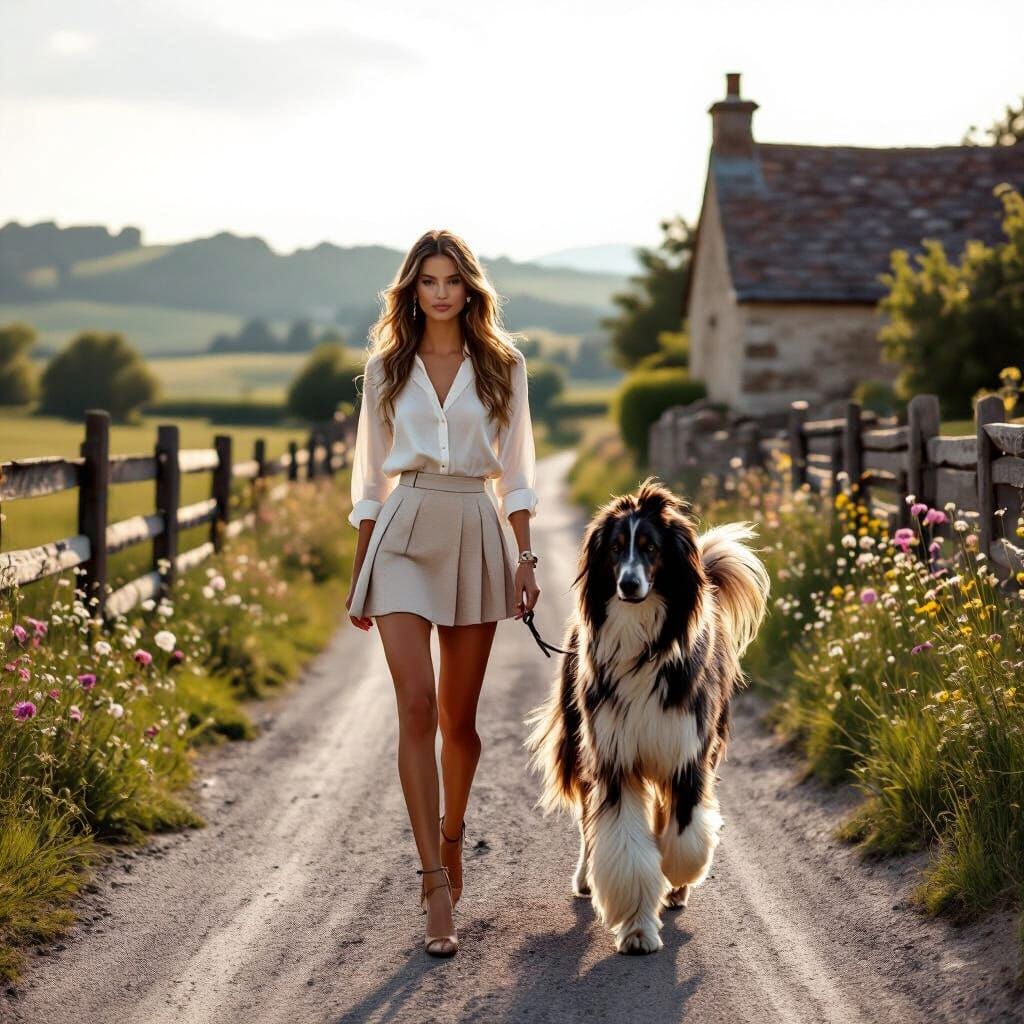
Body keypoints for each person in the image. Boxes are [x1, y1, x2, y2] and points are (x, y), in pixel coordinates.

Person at [345, 229, 542, 958]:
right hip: (402, 527)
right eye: (427, 280)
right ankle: (432, 882)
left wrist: (526, 558)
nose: (440, 292)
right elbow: (369, 479)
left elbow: (517, 471)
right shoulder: (385, 369)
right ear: (412, 289)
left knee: (460, 722)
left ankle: (453, 837)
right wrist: (360, 568)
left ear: (468, 288)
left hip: (472, 525)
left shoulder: (503, 366)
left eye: (451, 280)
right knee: (417, 707)